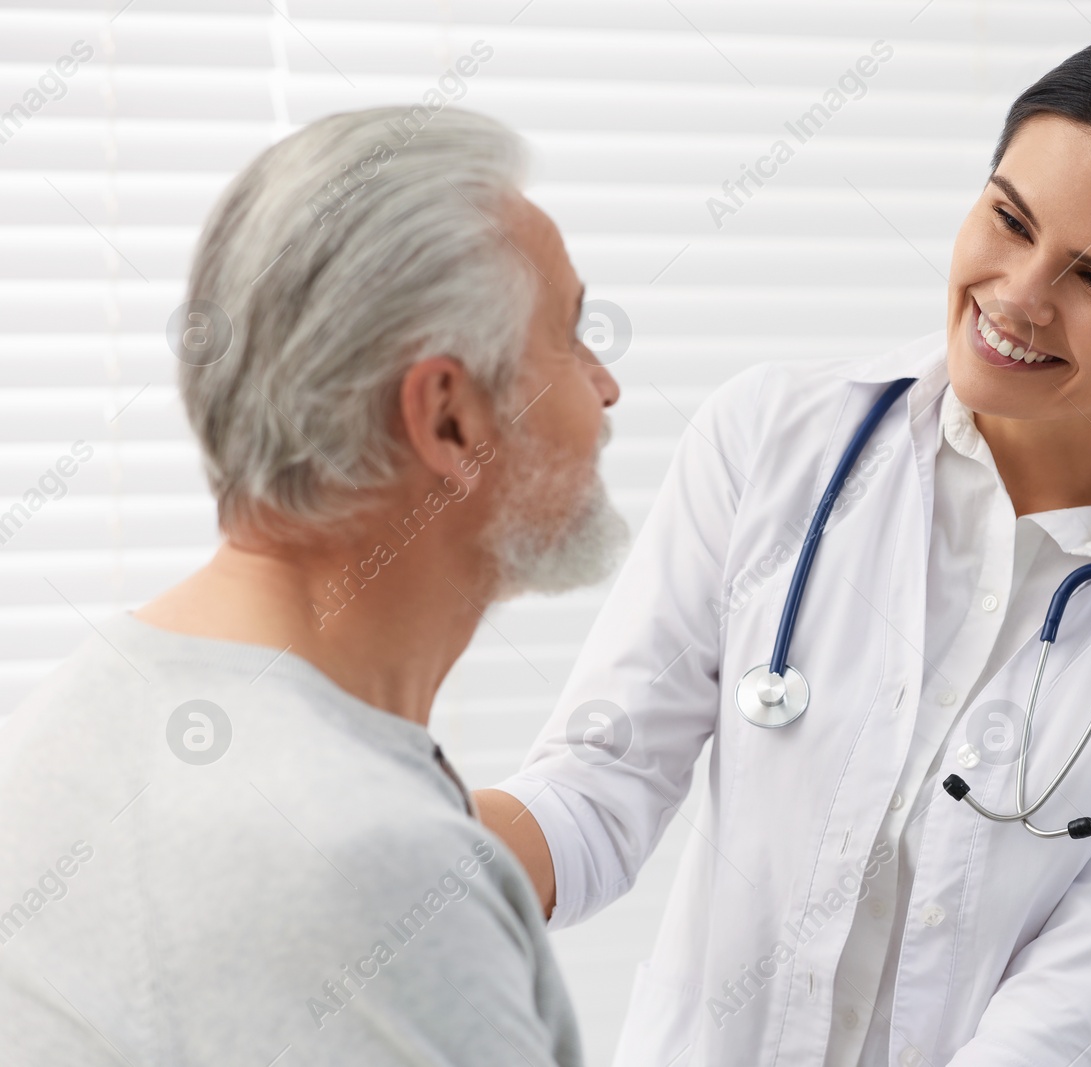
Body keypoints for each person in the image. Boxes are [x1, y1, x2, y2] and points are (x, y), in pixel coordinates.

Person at [479, 31, 1091, 1067]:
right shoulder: (771, 437)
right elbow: (600, 784)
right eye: (1007, 219)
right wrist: (431, 852)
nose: (1017, 293)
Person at [0, 106, 627, 1066]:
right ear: (449, 418)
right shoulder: (372, 868)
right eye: (572, 336)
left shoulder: (69, 719)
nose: (606, 388)